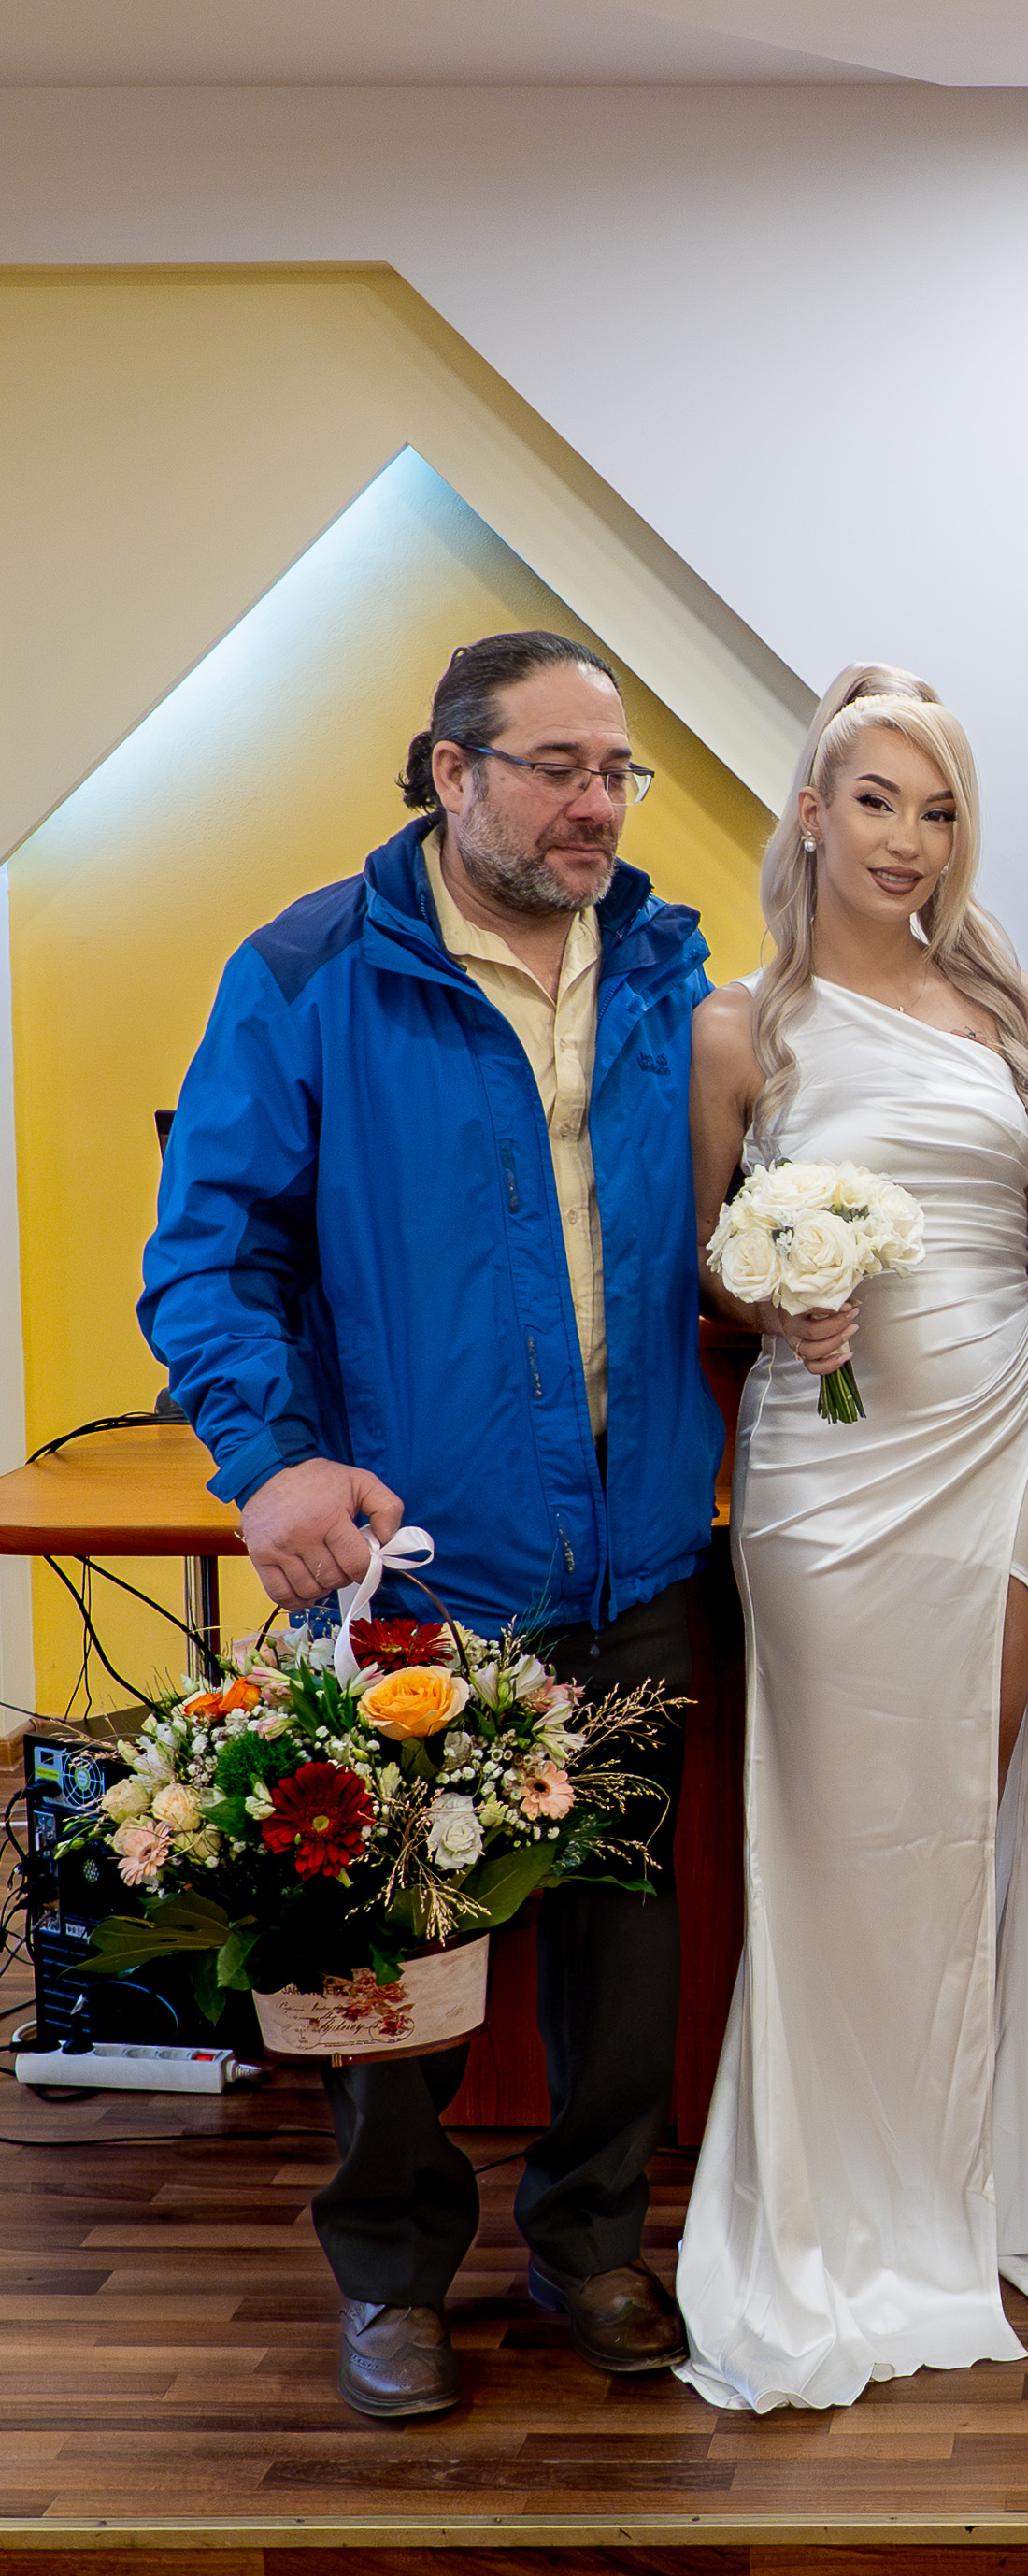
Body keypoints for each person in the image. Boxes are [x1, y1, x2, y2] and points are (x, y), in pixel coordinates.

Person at [140, 630, 721, 2419]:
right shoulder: (309, 973)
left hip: (639, 1544)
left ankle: (592, 2238)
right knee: (388, 1950)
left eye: (616, 772)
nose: (598, 805)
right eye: (558, 768)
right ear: (451, 771)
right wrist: (269, 1460)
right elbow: (209, 1256)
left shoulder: (666, 966)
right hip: (420, 1559)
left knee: (623, 1938)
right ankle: (393, 2273)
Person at [676, 662, 1028, 2413]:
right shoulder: (739, 1028)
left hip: (994, 1438)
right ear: (812, 810)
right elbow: (706, 1261)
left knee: (960, 1801)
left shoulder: (1010, 998)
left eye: (938, 809)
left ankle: (944, 2181)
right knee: (841, 1831)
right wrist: (779, 1302)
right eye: (877, 800)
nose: (908, 839)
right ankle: (831, 2201)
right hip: (826, 1473)